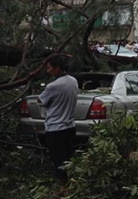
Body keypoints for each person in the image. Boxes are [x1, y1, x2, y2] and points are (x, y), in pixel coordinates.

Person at [37, 54, 79, 186]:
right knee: (69, 158)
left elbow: (40, 100)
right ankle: (73, 184)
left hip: (55, 129)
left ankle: (63, 187)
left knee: (59, 160)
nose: (47, 70)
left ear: (57, 68)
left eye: (49, 67)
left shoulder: (53, 86)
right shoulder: (73, 81)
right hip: (70, 127)